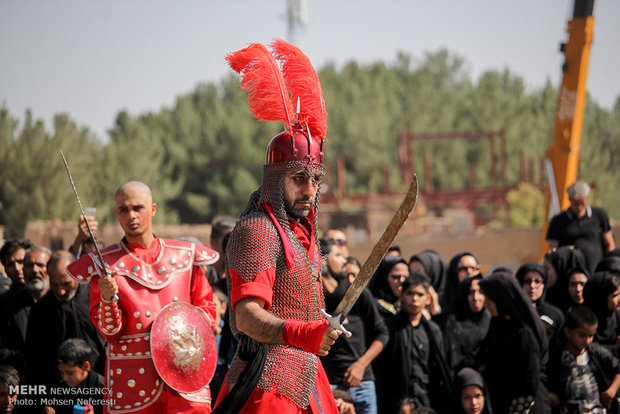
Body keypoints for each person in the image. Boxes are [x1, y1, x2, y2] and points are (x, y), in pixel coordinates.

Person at [213, 40, 340, 413]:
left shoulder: (302, 236)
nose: (309, 188)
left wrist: (322, 324)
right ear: (274, 179)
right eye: (298, 177)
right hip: (268, 384)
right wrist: (304, 332)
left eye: (315, 179)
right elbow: (246, 317)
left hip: (306, 377)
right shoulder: (258, 231)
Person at [66, 181, 219, 413]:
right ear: (117, 213)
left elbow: (208, 314)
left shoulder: (186, 257)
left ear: (153, 209)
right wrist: (107, 299)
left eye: (138, 208)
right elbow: (110, 332)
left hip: (184, 377)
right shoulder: (104, 265)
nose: (131, 216)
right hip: (132, 381)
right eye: (124, 209)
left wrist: (181, 335)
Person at [320, 238, 388, 414]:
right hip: (329, 386)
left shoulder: (357, 294)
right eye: (338, 255)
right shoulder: (313, 301)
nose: (344, 261)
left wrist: (361, 365)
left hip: (363, 384)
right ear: (322, 260)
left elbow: (382, 334)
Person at [25, 250, 106, 389]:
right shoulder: (40, 310)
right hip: (61, 389)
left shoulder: (97, 297)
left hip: (102, 382)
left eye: (66, 284)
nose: (61, 291)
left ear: (77, 273)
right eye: (55, 284)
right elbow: (35, 359)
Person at [375, 273, 452, 413]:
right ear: (402, 295)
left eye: (420, 294)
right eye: (410, 293)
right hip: (394, 404)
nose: (414, 299)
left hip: (425, 402)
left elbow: (436, 370)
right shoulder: (388, 328)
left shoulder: (433, 331)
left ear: (428, 298)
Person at [476, 272, 550, 414]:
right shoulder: (499, 323)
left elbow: (529, 381)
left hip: (526, 406)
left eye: (489, 299)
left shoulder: (524, 333)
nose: (485, 304)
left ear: (501, 299)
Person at [547, 305, 620, 413]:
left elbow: (617, 368)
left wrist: (611, 391)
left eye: (590, 336)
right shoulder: (558, 356)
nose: (587, 340)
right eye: (582, 335)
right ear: (568, 332)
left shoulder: (595, 352)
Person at [546, 180, 615, 275]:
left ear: (586, 199)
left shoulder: (599, 215)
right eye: (576, 204)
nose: (579, 207)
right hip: (570, 274)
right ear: (570, 200)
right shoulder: (558, 221)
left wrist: (610, 265)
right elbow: (553, 250)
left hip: (596, 271)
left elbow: (609, 243)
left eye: (582, 204)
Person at [0, 246, 51, 374]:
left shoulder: (61, 303)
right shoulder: (6, 303)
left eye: (40, 265)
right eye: (29, 265)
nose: (34, 270)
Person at [434, 275, 490, 376]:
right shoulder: (451, 323)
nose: (476, 298)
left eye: (481, 292)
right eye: (470, 292)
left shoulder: (491, 321)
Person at [47, 338, 105, 414]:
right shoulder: (61, 390)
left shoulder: (104, 389)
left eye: (70, 373)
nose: (65, 378)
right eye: (62, 373)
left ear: (86, 366)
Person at [515, 262, 564, 342]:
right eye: (527, 281)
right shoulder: (512, 312)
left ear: (544, 285)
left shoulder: (554, 314)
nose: (532, 286)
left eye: (537, 281)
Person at [583, 271, 620, 359]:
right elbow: (588, 349)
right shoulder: (584, 321)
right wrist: (616, 348)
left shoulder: (616, 315)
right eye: (614, 296)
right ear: (601, 298)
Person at [543, 245, 588, 311]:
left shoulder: (587, 305)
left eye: (547, 269)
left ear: (560, 269)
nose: (544, 272)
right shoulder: (545, 298)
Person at [368, 255, 409, 319]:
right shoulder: (371, 306)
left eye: (405, 277)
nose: (402, 281)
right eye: (396, 277)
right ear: (384, 278)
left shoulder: (411, 306)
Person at [205, 218, 236, 292]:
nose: (232, 245)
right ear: (213, 242)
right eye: (227, 240)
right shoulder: (204, 273)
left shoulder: (239, 275)